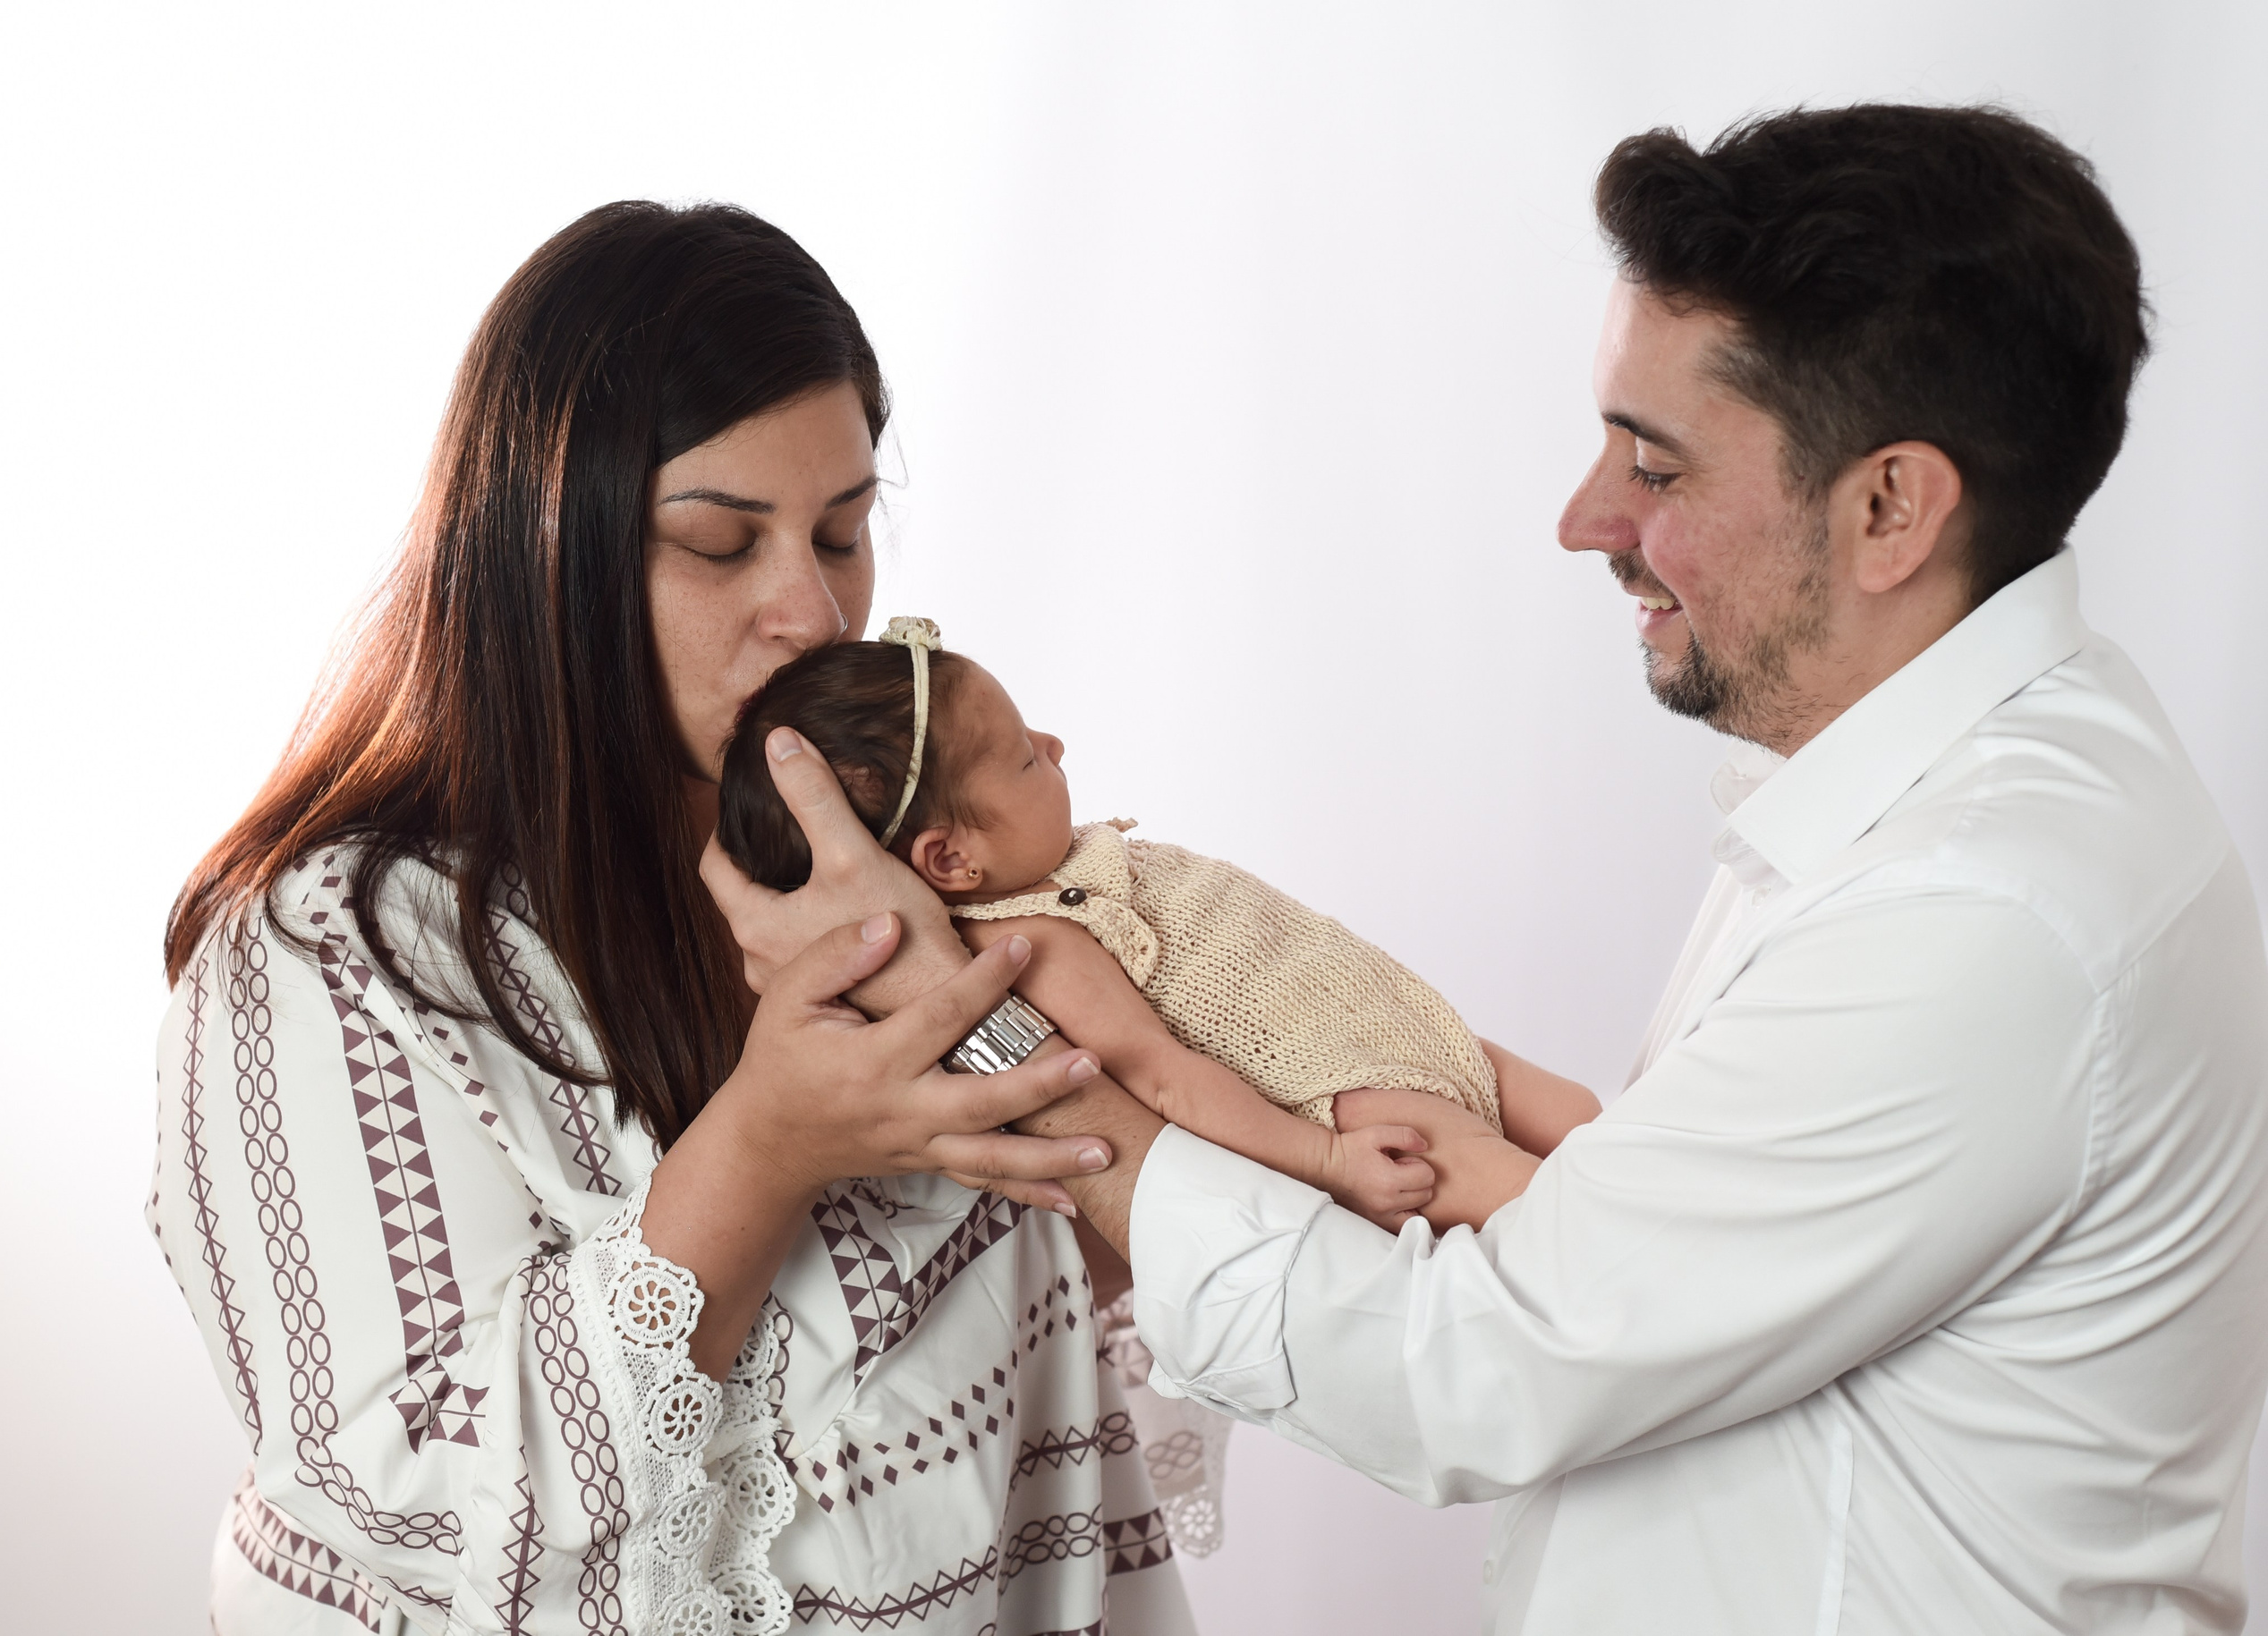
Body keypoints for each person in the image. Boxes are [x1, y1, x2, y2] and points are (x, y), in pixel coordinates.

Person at [710, 106, 2268, 1632]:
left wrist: (976, 1018)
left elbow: (1473, 1367)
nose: (1585, 518)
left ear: (1888, 507)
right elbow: (1671, 1263)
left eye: (1655, 466)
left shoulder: (1982, 911)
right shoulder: (1932, 803)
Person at [149, 202, 1194, 1636]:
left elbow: (1070, 1347)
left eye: (845, 532)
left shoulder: (892, 887)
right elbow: (409, 1503)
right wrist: (764, 1145)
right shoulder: (332, 955)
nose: (815, 614)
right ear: (544, 553)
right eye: (720, 544)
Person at [714, 618, 1602, 1230]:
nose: (1054, 746)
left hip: (1400, 1022)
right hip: (1349, 1086)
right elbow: (1165, 1079)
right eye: (1025, 755)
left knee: (1603, 1134)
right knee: (1562, 1219)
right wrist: (1328, 1161)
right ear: (950, 863)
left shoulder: (1070, 871)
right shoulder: (1036, 943)